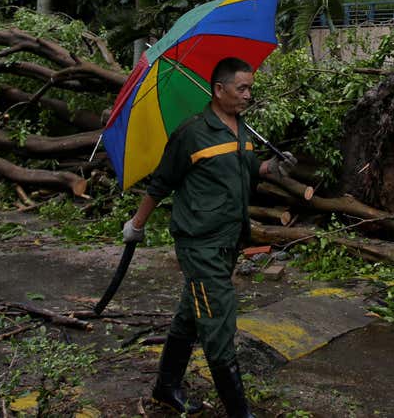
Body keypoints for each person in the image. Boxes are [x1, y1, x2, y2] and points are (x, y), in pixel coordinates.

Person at [122, 56, 290, 418]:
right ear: (219, 89)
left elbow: (248, 169)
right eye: (241, 88)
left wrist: (271, 167)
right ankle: (239, 412)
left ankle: (166, 387)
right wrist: (137, 224)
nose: (248, 95)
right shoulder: (192, 132)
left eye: (250, 89)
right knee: (217, 320)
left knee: (190, 314)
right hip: (200, 242)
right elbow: (161, 182)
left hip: (230, 238)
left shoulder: (240, 127)